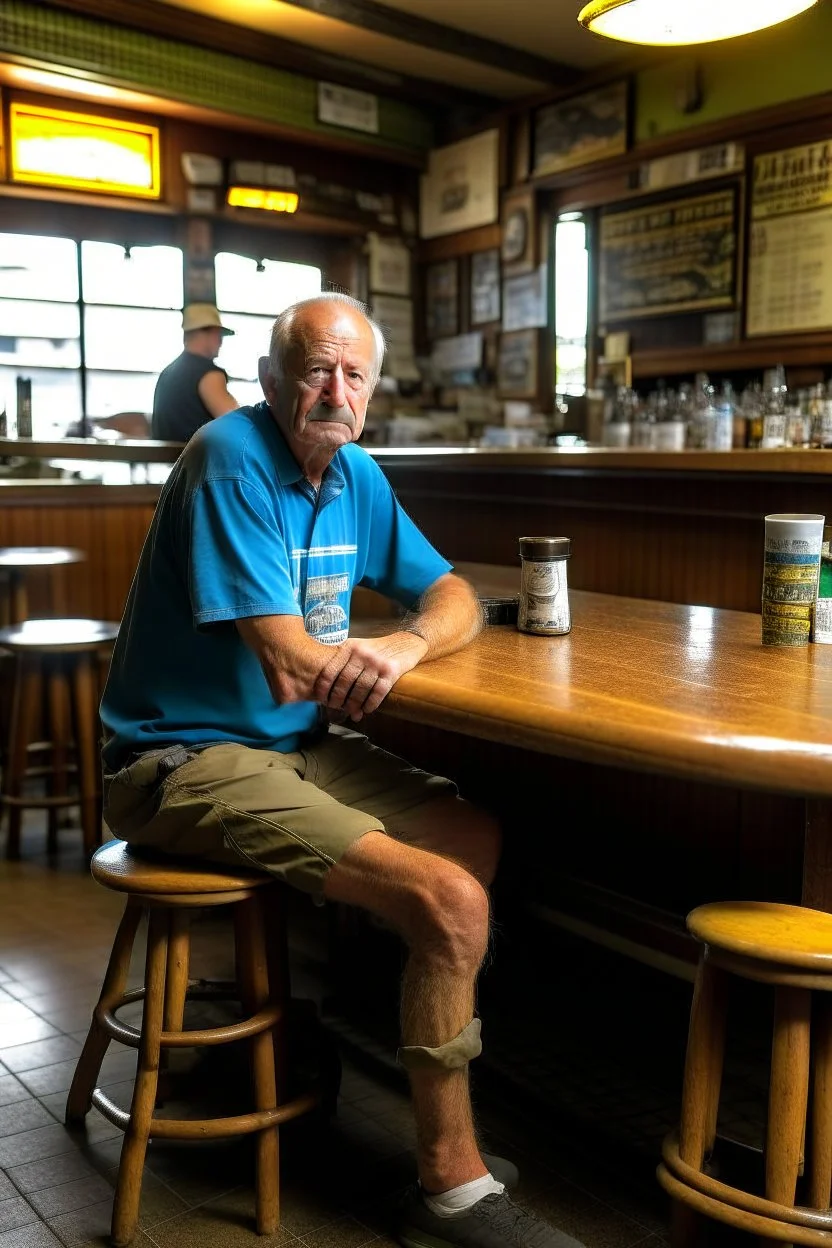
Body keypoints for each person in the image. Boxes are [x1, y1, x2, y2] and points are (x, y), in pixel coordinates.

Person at [100, 292, 584, 1248]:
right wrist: (379, 656)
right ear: (271, 381)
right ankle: (449, 1185)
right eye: (315, 370)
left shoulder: (354, 473)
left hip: (285, 744)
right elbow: (285, 657)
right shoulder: (230, 456)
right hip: (178, 755)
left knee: (470, 838)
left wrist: (403, 647)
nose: (335, 389)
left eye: (353, 374)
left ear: (372, 391)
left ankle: (326, 1035)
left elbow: (453, 596)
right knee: (449, 902)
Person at [151, 302, 239, 442]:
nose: (220, 342)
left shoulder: (168, 372)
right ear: (203, 333)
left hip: (169, 461)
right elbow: (237, 424)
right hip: (200, 461)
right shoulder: (209, 374)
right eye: (218, 335)